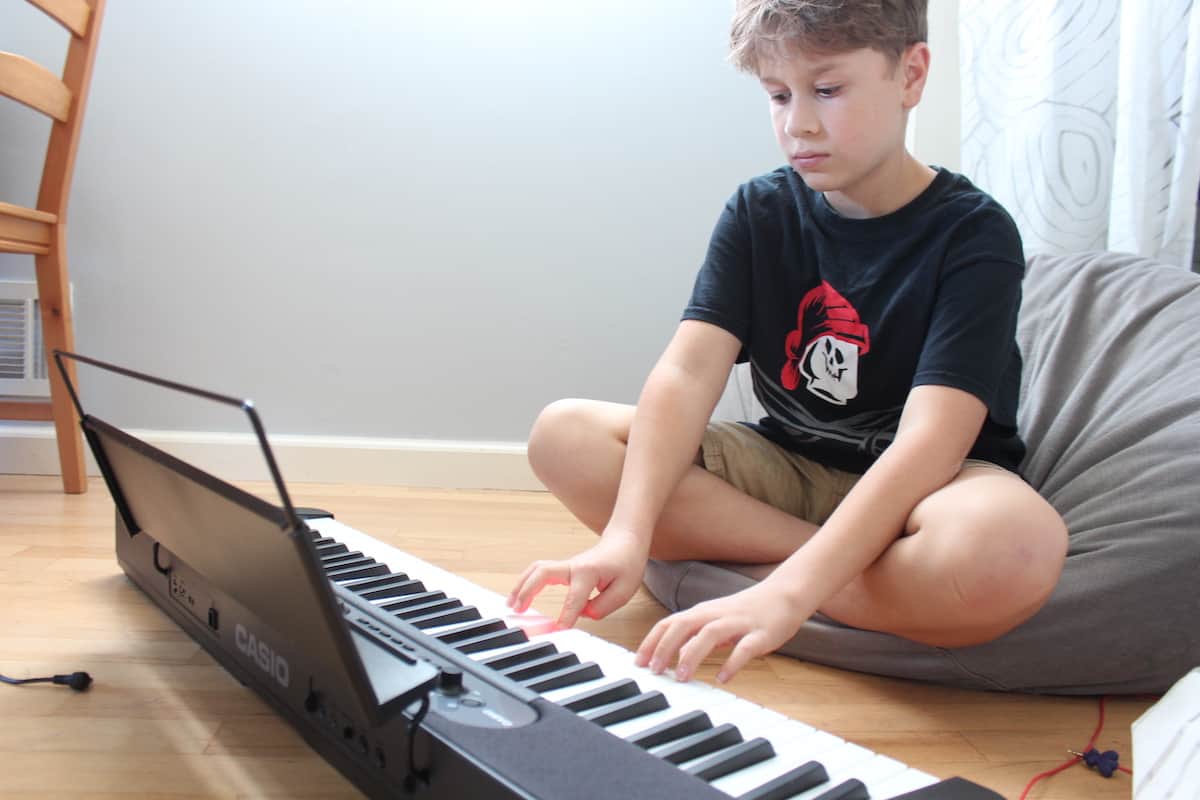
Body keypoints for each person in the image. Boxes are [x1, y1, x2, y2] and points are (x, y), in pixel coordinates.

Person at [507, 0, 1068, 686]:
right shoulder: (759, 210)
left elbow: (933, 443)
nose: (797, 122)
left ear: (911, 75)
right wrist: (626, 536)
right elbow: (687, 373)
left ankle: (773, 578)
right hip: (788, 467)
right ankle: (836, 575)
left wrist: (791, 593)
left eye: (828, 90)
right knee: (563, 435)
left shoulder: (974, 233)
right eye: (778, 95)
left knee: (1015, 549)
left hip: (930, 492)